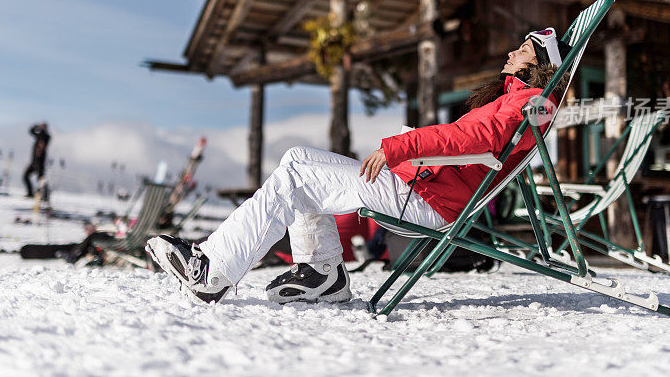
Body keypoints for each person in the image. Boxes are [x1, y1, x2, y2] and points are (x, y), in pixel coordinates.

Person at [146, 28, 571, 305]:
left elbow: (478, 141)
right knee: (299, 164)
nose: (513, 51)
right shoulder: (514, 98)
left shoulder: (533, 103)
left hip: (427, 200)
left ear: (539, 64)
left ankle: (212, 272)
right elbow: (476, 142)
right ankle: (322, 272)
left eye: (524, 49)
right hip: (421, 188)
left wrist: (400, 146)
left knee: (298, 172)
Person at [23, 122, 51, 198]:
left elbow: (44, 138)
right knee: (26, 176)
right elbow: (31, 131)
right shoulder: (39, 136)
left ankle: (44, 195)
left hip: (40, 163)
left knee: (41, 180)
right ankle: (30, 193)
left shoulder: (46, 136)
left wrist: (42, 129)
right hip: (34, 162)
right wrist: (37, 126)